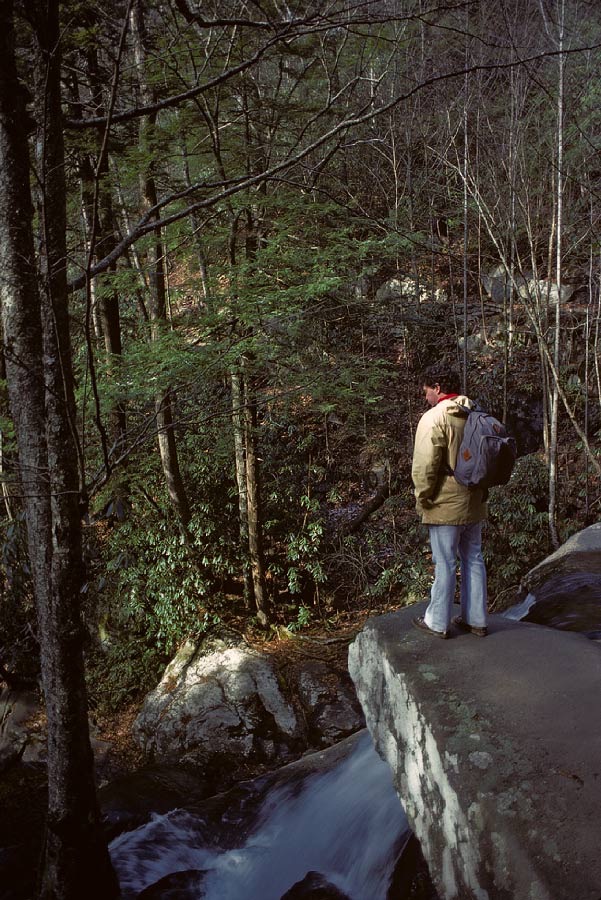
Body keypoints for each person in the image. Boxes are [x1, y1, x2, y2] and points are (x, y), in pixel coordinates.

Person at [411, 364, 488, 639]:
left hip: (444, 502)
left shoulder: (434, 418)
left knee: (444, 563)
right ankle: (476, 620)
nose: (426, 397)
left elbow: (424, 467)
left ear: (438, 388)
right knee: (474, 558)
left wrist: (423, 498)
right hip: (475, 500)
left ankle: (437, 622)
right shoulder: (475, 413)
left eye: (427, 391)